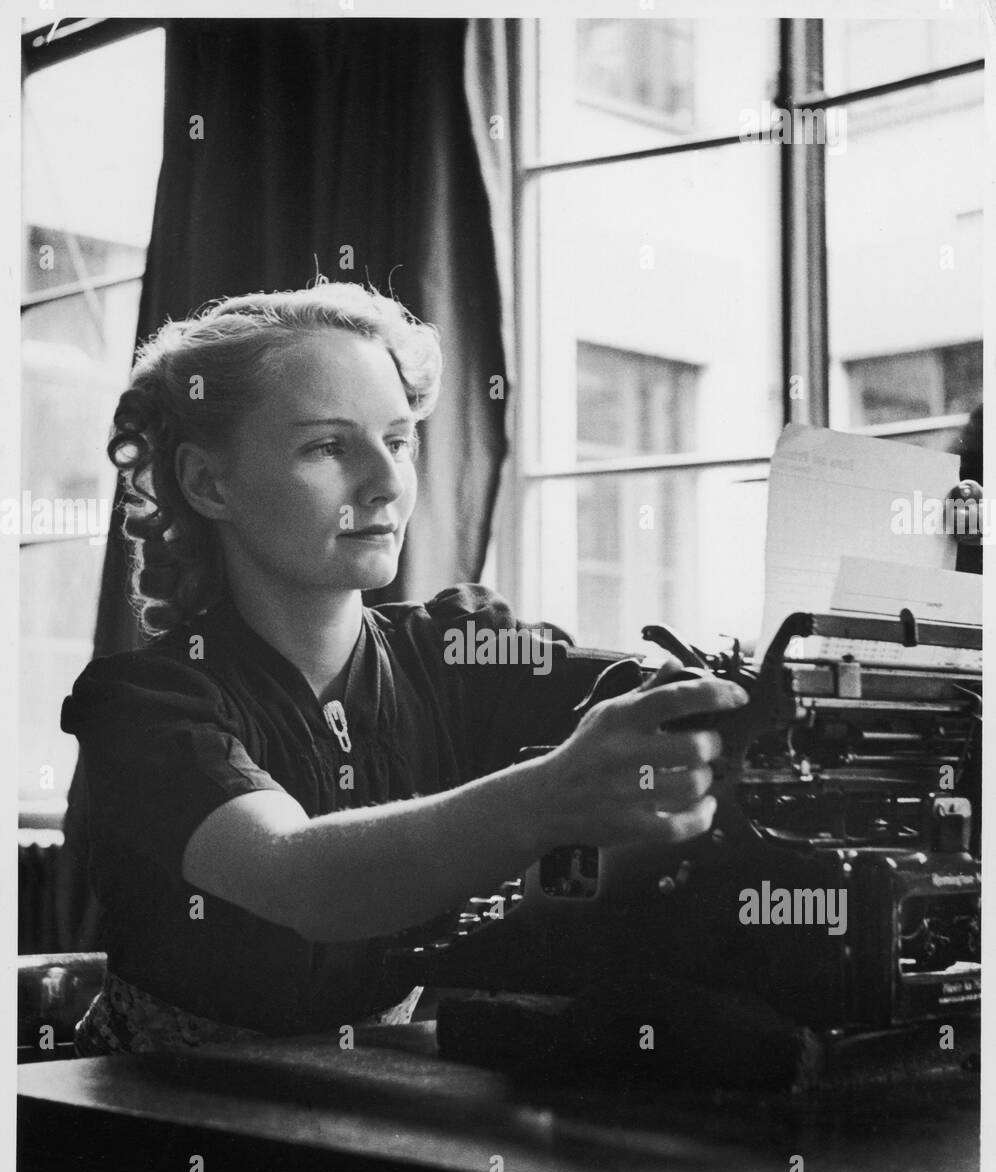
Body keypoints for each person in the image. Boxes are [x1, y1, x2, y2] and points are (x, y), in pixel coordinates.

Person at [61, 281, 746, 1054]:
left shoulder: (460, 650)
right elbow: (299, 878)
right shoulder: (140, 707)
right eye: (327, 446)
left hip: (378, 1108)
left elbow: (642, 691)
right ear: (208, 483)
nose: (385, 483)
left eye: (398, 440)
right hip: (150, 1126)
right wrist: (550, 797)